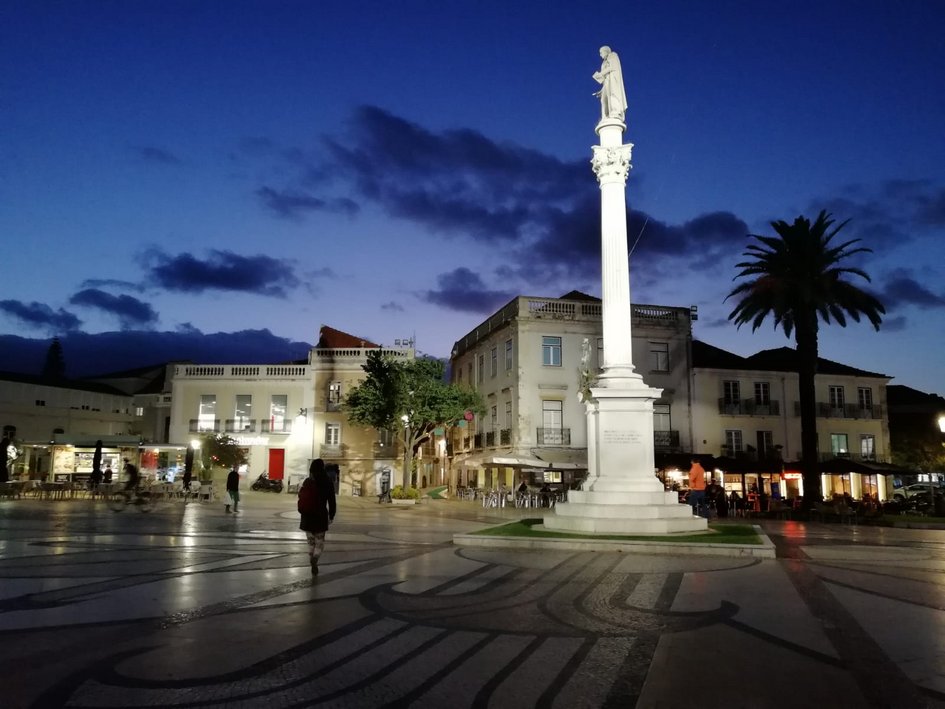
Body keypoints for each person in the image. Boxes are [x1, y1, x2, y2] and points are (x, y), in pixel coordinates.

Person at [298, 458, 336, 575]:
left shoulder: (308, 481)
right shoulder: (328, 481)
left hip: (307, 516)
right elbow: (332, 501)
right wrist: (331, 515)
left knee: (310, 542)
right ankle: (315, 558)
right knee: (319, 542)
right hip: (320, 516)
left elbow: (301, 497)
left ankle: (311, 557)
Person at [592, 46, 628, 122]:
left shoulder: (612, 55)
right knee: (603, 99)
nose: (600, 55)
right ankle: (605, 116)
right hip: (607, 83)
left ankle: (616, 112)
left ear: (606, 51)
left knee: (613, 95)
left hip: (613, 82)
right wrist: (601, 91)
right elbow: (605, 79)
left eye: (601, 52)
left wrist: (600, 74)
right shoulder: (604, 62)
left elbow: (612, 67)